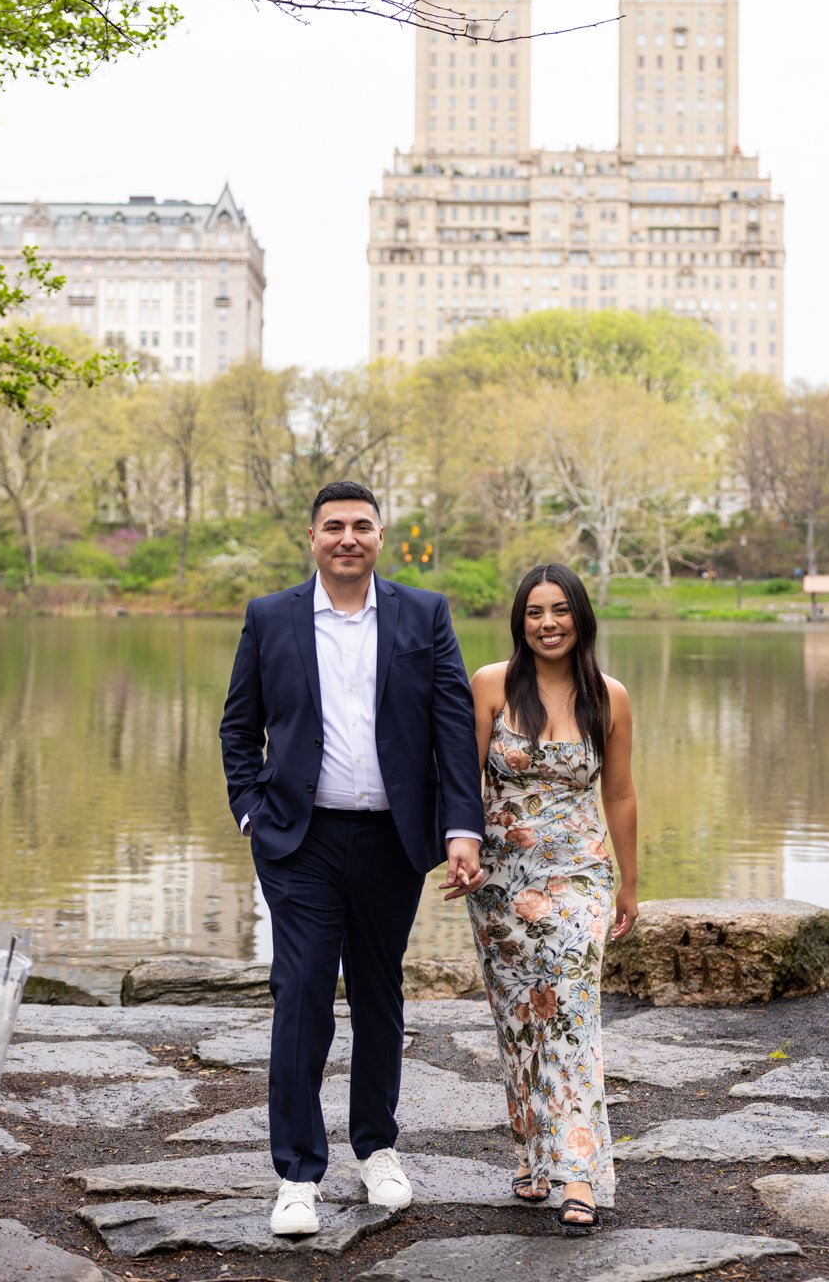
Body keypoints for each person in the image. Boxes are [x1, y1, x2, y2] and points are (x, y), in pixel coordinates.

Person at [219, 481, 485, 1236]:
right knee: (301, 991)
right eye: (333, 526)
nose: (347, 538)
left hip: (391, 840)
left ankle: (376, 1148)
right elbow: (238, 728)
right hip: (297, 840)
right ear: (311, 538)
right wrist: (250, 810)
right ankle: (297, 1173)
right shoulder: (270, 616)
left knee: (378, 994)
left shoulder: (423, 613)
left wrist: (460, 828)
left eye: (360, 526)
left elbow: (451, 728)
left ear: (380, 537)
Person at [449, 563, 638, 1233]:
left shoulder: (608, 696)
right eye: (535, 611)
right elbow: (460, 782)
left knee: (571, 1017)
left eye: (559, 610)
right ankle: (533, 1156)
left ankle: (580, 1173)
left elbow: (617, 794)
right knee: (519, 1021)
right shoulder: (490, 685)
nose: (548, 622)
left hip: (579, 877)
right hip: (499, 881)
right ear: (519, 621)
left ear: (580, 617)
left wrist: (629, 884)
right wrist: (460, 848)